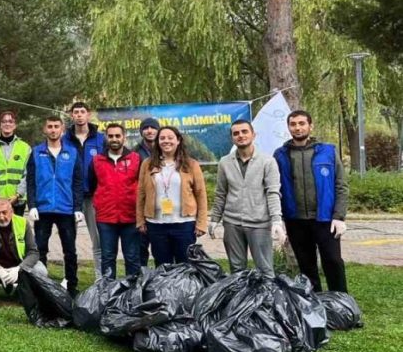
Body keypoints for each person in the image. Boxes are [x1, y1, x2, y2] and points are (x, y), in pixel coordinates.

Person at [274, 110, 349, 292]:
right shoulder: (280, 155)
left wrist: (339, 216)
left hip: (325, 219)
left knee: (333, 261)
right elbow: (275, 189)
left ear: (310, 126)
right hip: (296, 220)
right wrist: (279, 220)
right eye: (293, 124)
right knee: (306, 266)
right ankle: (314, 305)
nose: (298, 128)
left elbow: (341, 185)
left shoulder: (328, 151)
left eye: (301, 123)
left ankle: (341, 305)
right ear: (289, 127)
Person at [209, 120, 286, 278]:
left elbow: (273, 192)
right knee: (237, 270)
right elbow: (221, 193)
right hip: (232, 223)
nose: (241, 136)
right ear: (232, 138)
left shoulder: (267, 162)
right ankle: (241, 301)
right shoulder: (225, 163)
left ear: (253, 134)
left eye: (244, 131)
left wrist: (276, 220)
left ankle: (268, 300)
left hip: (259, 223)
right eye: (236, 133)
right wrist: (215, 218)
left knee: (265, 269)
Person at [26, 116, 85, 297]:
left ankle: (72, 286)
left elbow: (77, 182)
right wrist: (33, 205)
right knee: (40, 248)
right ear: (45, 130)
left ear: (62, 130)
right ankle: (41, 285)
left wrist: (78, 208)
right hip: (43, 209)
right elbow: (30, 181)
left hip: (66, 208)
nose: (53, 130)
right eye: (49, 126)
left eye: (56, 126)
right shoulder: (36, 152)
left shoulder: (73, 152)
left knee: (70, 249)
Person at [136, 126, 207, 266]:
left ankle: (186, 289)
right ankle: (163, 289)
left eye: (170, 138)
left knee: (186, 265)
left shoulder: (191, 164)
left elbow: (200, 194)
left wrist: (201, 223)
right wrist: (140, 220)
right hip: (156, 225)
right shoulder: (147, 164)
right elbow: (141, 194)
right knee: (162, 265)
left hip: (184, 224)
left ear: (178, 140)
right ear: (157, 142)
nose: (166, 141)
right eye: (162, 138)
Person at [88, 123, 143, 279]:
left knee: (132, 258)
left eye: (117, 136)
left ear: (124, 137)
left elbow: (142, 186)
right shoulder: (97, 161)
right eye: (111, 136)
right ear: (106, 137)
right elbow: (92, 185)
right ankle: (108, 293)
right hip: (105, 218)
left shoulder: (136, 159)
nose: (114, 139)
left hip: (130, 217)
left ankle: (132, 292)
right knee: (108, 257)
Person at [0, 197, 43, 304]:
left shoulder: (24, 223)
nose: (1, 217)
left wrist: (19, 268)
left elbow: (33, 252)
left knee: (41, 271)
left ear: (11, 212)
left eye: (4, 213)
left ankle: (22, 290)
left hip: (18, 268)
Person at [65, 101, 105, 269]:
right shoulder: (64, 139)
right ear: (71, 115)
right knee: (68, 240)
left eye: (82, 111)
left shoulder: (101, 139)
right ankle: (69, 278)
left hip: (94, 196)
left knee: (98, 240)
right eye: (76, 112)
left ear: (88, 114)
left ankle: (100, 279)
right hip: (70, 197)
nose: (79, 115)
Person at [0, 110, 31, 215]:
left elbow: (27, 173)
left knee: (18, 230)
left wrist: (18, 194)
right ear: (0, 125)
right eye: (4, 121)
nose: (7, 124)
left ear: (15, 125)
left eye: (10, 121)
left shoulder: (25, 147)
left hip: (18, 200)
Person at [135, 117, 160, 268]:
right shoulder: (134, 153)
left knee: (161, 249)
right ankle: (140, 279)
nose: (149, 131)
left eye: (153, 127)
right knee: (140, 248)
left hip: (163, 207)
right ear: (141, 132)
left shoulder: (167, 150)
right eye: (146, 128)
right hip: (142, 205)